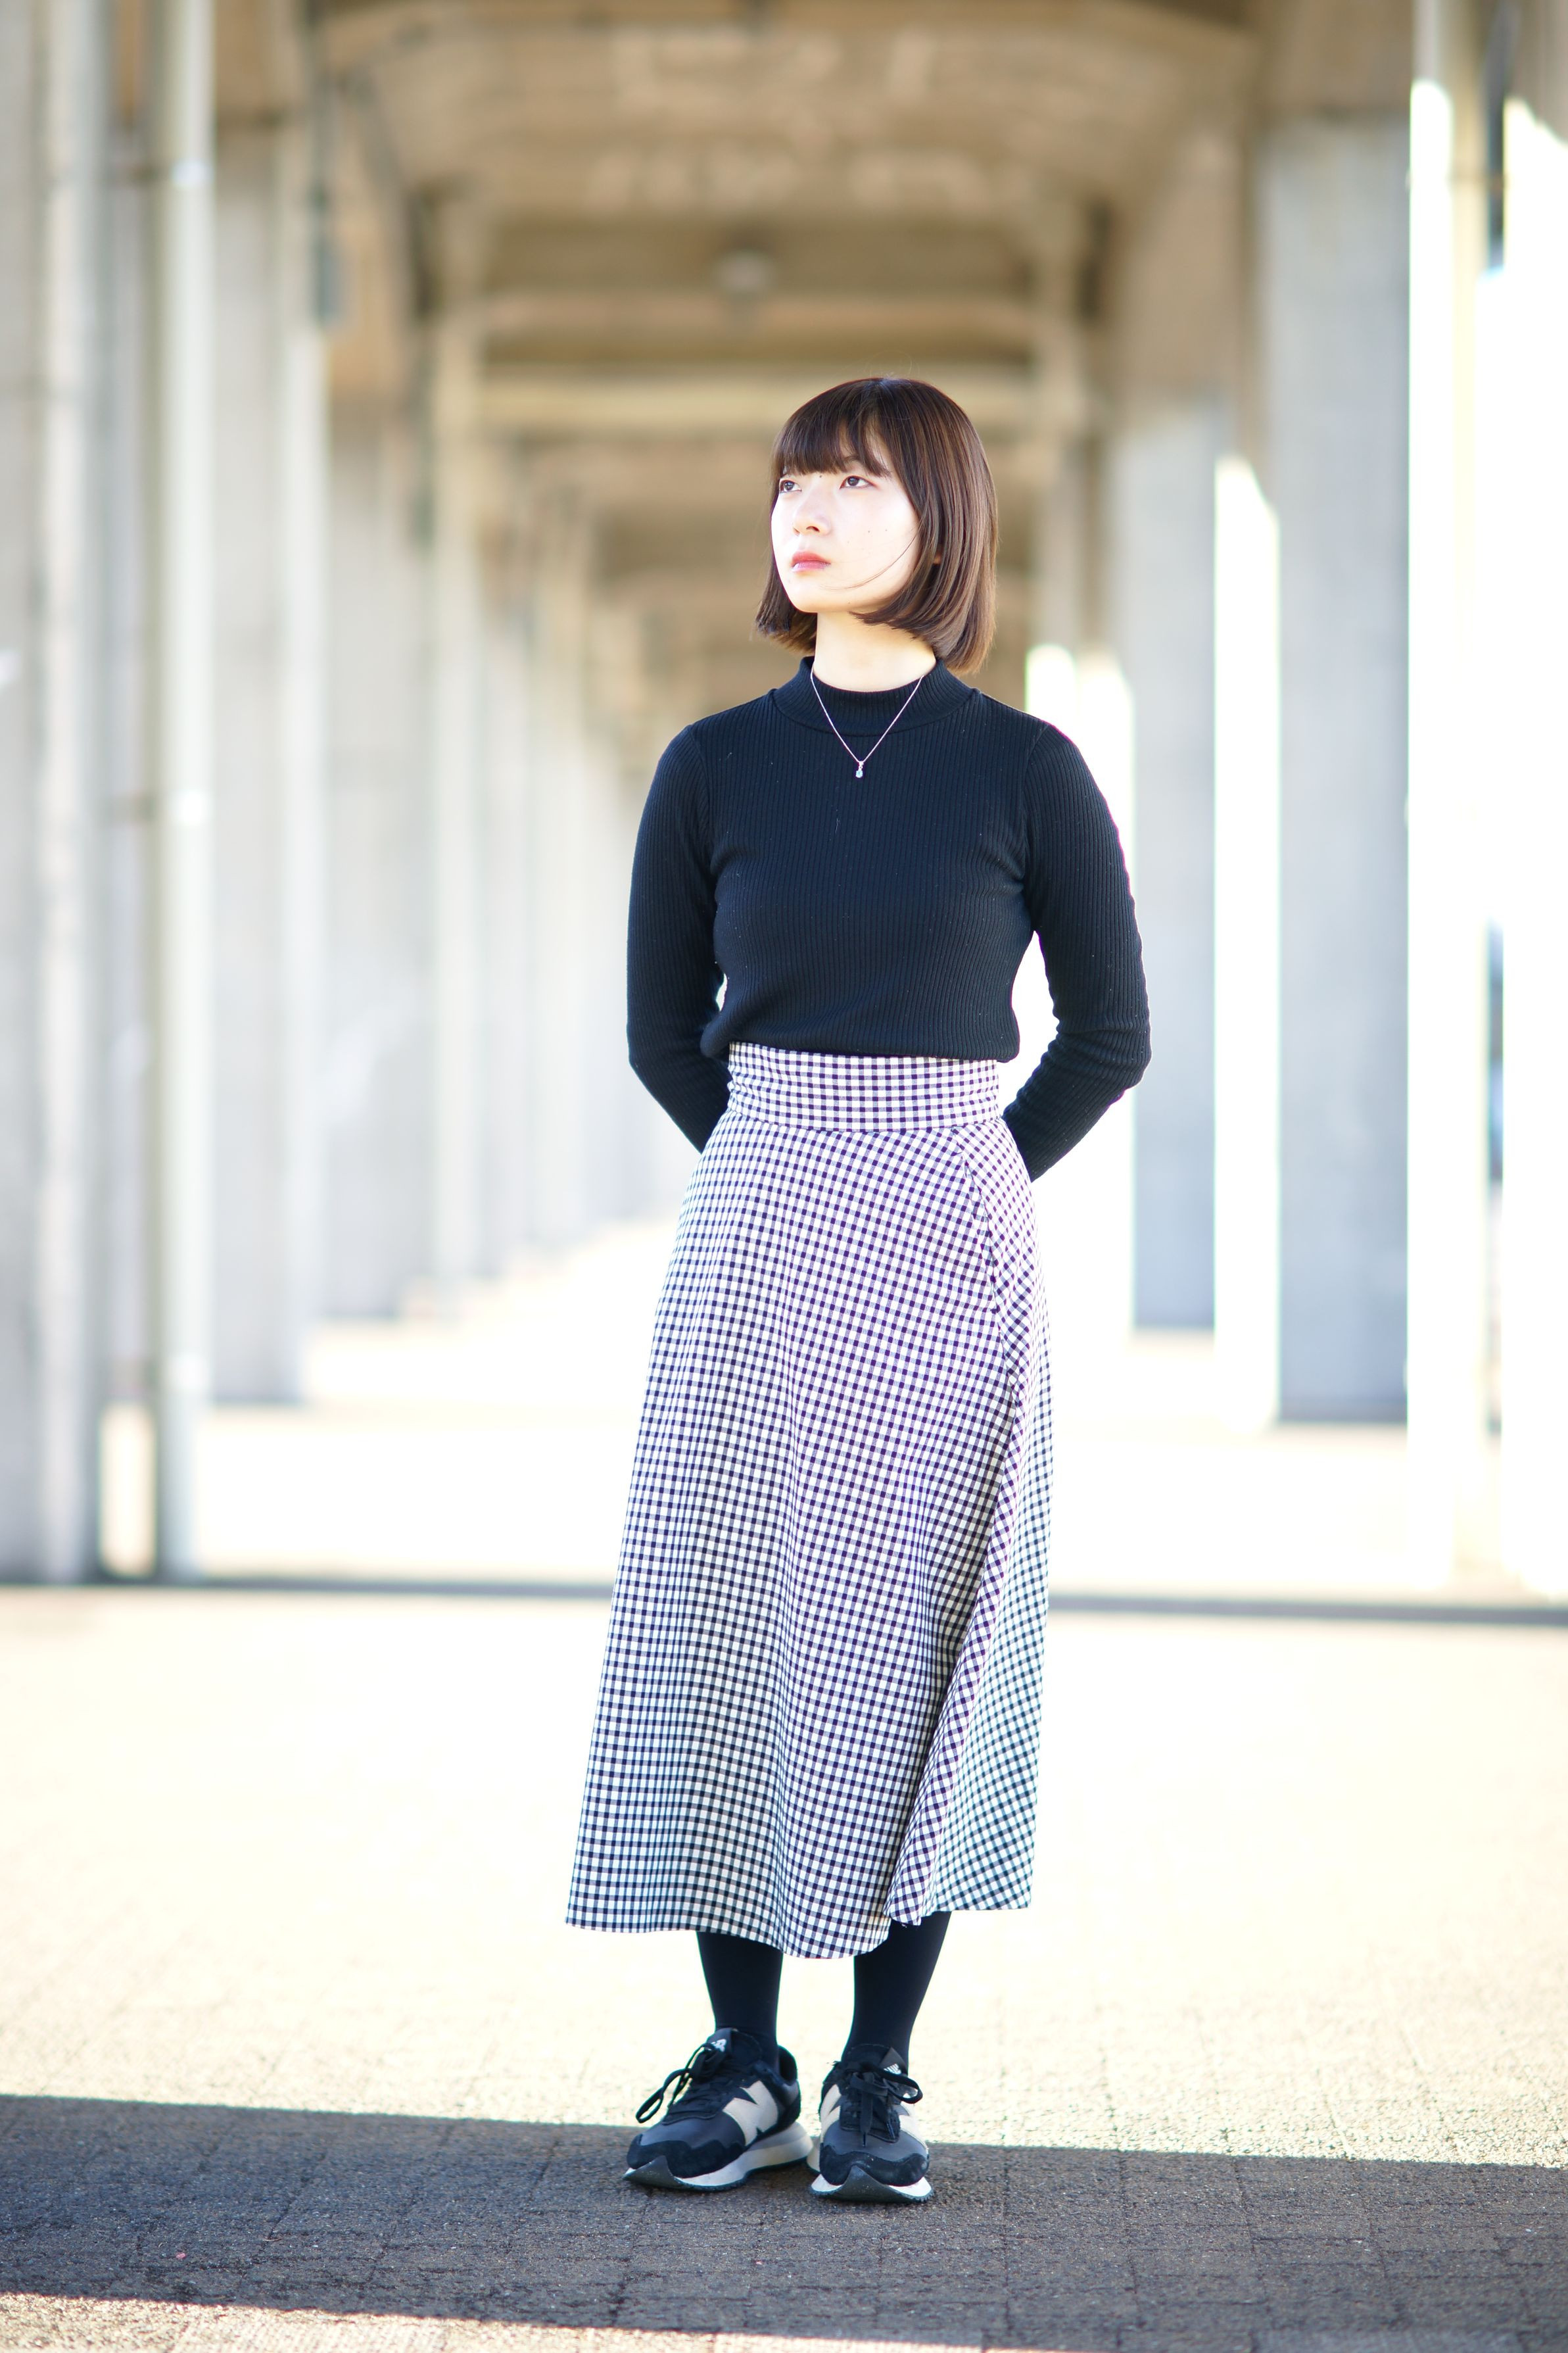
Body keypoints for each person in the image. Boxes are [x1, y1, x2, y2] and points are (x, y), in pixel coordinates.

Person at [567, 376, 1150, 2204]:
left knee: (924, 1633)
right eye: (791, 483)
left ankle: (877, 2069)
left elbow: (1109, 1034)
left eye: (854, 483)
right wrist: (781, 1163)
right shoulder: (712, 765)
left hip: (954, 1237)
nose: (806, 513)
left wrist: (961, 1175)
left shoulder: (1026, 770)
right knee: (734, 1609)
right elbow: (664, 1030)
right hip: (756, 1228)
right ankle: (742, 2061)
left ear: (942, 516)